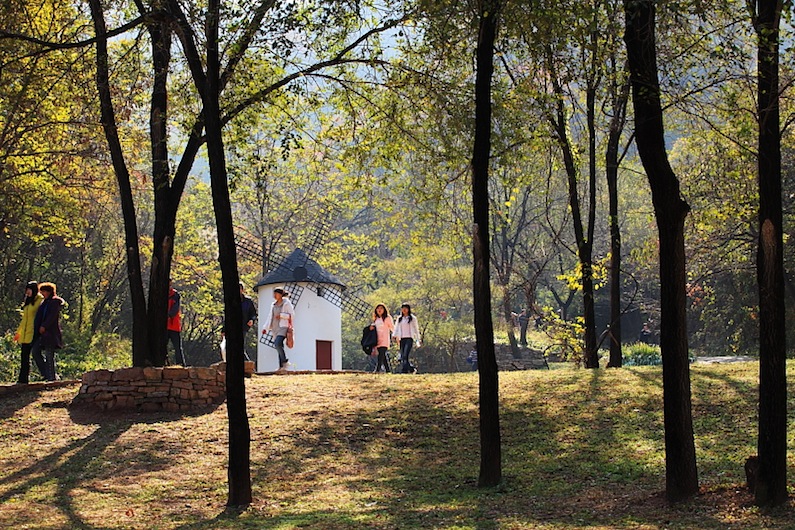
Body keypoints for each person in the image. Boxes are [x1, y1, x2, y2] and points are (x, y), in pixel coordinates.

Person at [30, 282, 65, 381]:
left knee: (49, 355)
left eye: (43, 292)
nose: (42, 294)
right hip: (41, 333)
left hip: (50, 333)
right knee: (36, 352)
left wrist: (44, 326)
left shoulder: (55, 302)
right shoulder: (44, 302)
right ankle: (46, 373)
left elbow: (52, 316)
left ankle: (51, 377)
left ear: (48, 291)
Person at [13, 281, 45, 384]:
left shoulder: (40, 300)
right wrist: (18, 333)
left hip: (34, 332)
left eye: (29, 290)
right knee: (24, 356)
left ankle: (47, 374)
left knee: (36, 354)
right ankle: (23, 379)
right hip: (26, 332)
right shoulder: (28, 301)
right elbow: (24, 320)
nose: (27, 292)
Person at [221, 282, 258, 361]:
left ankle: (246, 363)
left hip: (243, 327)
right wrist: (224, 329)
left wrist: (251, 320)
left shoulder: (248, 302)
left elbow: (253, 314)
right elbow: (227, 316)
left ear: (242, 290)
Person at [262, 288, 294, 372]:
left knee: (277, 343)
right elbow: (270, 317)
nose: (274, 295)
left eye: (275, 294)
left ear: (280, 294)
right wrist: (265, 328)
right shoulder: (273, 305)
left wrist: (281, 316)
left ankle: (285, 361)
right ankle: (281, 366)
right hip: (275, 328)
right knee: (279, 346)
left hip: (283, 326)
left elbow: (292, 315)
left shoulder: (286, 303)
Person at [393, 303, 421, 373]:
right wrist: (394, 335)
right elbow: (396, 328)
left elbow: (416, 329)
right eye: (403, 308)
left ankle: (405, 370)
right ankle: (410, 369)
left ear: (408, 309)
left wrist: (418, 339)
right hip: (402, 338)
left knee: (405, 354)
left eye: (406, 308)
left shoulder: (412, 318)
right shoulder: (399, 318)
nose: (404, 310)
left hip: (409, 338)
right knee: (403, 355)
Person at [370, 304, 394, 373]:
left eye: (381, 308)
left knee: (381, 354)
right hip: (377, 339)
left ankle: (377, 369)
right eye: (378, 309)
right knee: (383, 355)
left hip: (384, 339)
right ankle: (388, 370)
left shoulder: (387, 318)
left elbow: (392, 327)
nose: (379, 310)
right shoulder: (376, 319)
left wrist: (396, 335)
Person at [167, 279, 185, 366]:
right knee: (162, 347)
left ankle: (181, 364)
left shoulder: (175, 295)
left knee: (177, 347)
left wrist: (167, 315)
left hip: (174, 325)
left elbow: (175, 309)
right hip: (165, 326)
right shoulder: (160, 295)